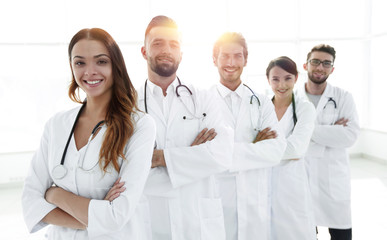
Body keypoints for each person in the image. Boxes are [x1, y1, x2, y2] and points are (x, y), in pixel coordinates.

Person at [22, 28, 156, 239]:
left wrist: (54, 194)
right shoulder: (56, 125)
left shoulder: (139, 126)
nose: (89, 71)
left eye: (101, 61)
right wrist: (93, 217)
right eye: (80, 63)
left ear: (115, 66)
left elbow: (116, 217)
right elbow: (30, 201)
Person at [138, 16, 233, 239]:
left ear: (181, 52)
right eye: (158, 43)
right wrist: (194, 157)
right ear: (144, 51)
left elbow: (222, 154)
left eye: (174, 44)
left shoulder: (203, 98)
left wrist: (159, 158)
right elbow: (124, 167)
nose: (167, 50)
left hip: (197, 220)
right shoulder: (127, 104)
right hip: (149, 220)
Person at [210, 32, 286, 240]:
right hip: (218, 198)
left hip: (254, 200)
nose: (231, 62)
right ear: (214, 59)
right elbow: (201, 154)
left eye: (237, 56)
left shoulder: (261, 102)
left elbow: (276, 151)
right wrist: (254, 147)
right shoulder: (201, 103)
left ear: (246, 59)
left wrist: (223, 150)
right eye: (224, 56)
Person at [297, 44, 360, 240]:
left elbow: (350, 135)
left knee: (341, 234)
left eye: (326, 63)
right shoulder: (292, 98)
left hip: (333, 179)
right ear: (305, 65)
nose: (320, 67)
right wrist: (332, 130)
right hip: (301, 177)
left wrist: (305, 130)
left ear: (332, 69)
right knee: (305, 232)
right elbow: (285, 136)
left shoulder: (343, 97)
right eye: (315, 61)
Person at [266, 56, 316, 240]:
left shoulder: (305, 109)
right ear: (268, 80)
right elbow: (249, 143)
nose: (282, 84)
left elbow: (297, 149)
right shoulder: (262, 108)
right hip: (263, 185)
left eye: (288, 78)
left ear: (296, 78)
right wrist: (280, 149)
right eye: (275, 79)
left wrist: (261, 148)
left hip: (292, 186)